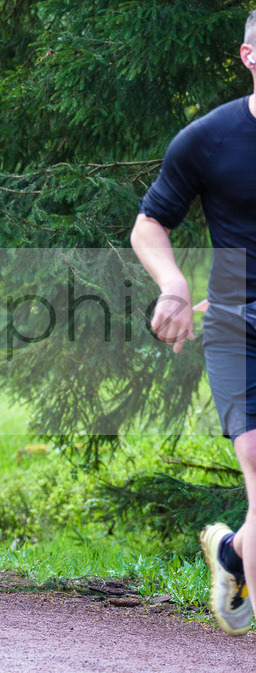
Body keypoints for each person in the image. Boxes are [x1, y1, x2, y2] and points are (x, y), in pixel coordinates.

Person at [130, 11, 256, 636]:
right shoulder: (209, 138)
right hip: (235, 318)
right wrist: (175, 286)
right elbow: (150, 223)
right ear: (249, 57)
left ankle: (233, 553)